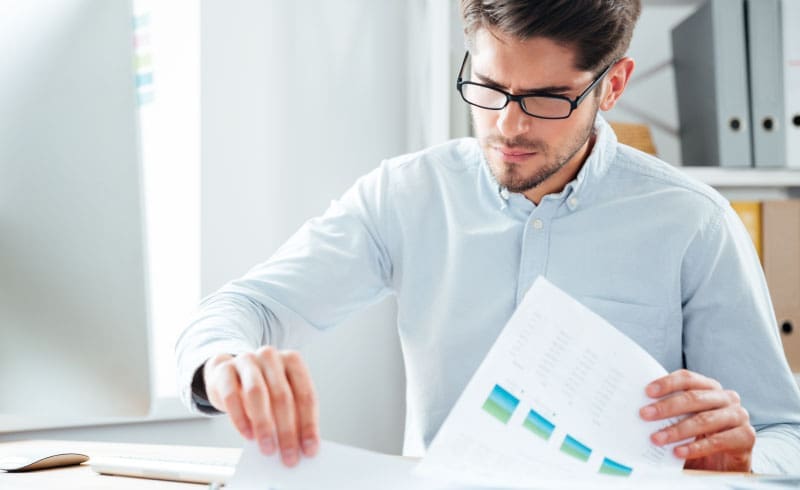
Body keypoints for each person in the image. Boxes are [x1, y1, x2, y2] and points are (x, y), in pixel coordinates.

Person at [176, 0, 800, 474]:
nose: (508, 125)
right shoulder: (408, 194)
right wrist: (225, 365)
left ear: (612, 85)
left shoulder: (694, 223)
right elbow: (246, 308)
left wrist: (746, 458)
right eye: (491, 87)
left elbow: (786, 436)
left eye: (548, 98)